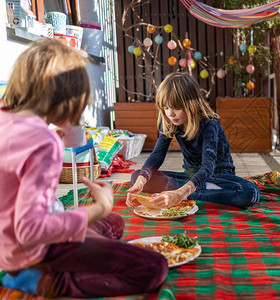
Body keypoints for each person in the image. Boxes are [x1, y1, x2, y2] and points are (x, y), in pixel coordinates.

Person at [0, 38, 168, 298]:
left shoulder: (6, 120)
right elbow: (31, 229)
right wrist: (99, 207)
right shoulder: (42, 143)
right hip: (33, 251)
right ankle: (48, 282)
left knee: (113, 222)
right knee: (154, 267)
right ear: (66, 95)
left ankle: (71, 253)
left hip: (5, 244)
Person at [126, 73, 260, 209]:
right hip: (190, 176)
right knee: (136, 176)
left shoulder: (209, 123)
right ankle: (203, 192)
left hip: (219, 176)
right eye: (166, 108)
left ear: (192, 104)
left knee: (250, 193)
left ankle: (188, 193)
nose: (170, 113)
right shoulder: (169, 120)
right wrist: (140, 182)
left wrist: (181, 193)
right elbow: (157, 155)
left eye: (176, 108)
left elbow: (208, 166)